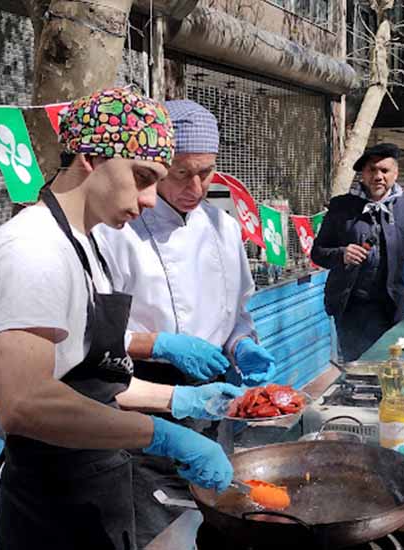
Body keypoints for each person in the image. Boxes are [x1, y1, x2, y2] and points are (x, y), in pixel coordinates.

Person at [0, 88, 243, 550]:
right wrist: (163, 436)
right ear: (91, 157)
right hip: (52, 500)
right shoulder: (34, 250)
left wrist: (183, 401)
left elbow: (92, 379)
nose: (152, 199)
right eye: (142, 177)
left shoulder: (84, 246)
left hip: (94, 476)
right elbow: (26, 402)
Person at [94, 99, 277, 547]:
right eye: (181, 173)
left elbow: (235, 314)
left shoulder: (223, 227)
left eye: (207, 172)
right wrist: (160, 345)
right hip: (145, 396)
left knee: (218, 516)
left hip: (212, 396)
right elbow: (89, 335)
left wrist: (241, 345)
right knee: (160, 526)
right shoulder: (117, 230)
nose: (195, 186)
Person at [311, 143, 404, 362]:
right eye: (372, 170)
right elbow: (317, 253)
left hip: (389, 307)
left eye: (384, 170)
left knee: (390, 364)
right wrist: (341, 254)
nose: (378, 176)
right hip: (350, 307)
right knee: (357, 366)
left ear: (395, 173)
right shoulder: (341, 207)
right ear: (363, 174)